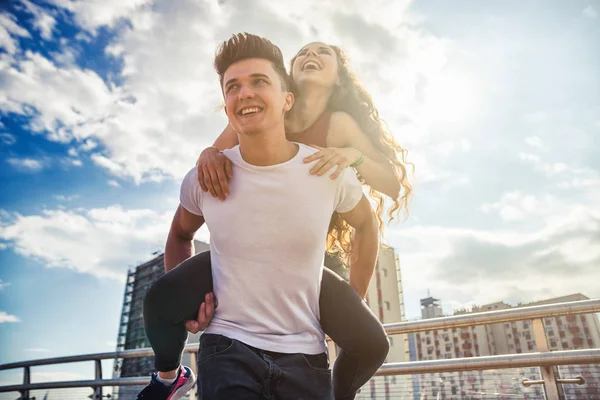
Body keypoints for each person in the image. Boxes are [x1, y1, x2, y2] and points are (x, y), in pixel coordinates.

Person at [138, 32, 379, 400]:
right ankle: (169, 378)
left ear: (287, 99)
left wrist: (354, 300)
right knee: (157, 299)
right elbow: (179, 234)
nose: (244, 93)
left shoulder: (326, 170)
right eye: (232, 87)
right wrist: (192, 300)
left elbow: (366, 223)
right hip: (227, 348)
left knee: (374, 342)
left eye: (259, 82)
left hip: (307, 356)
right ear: (226, 103)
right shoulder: (207, 177)